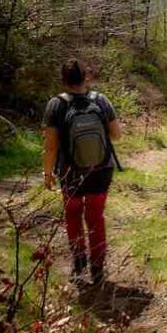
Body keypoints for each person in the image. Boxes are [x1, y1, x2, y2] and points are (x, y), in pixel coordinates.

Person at [41, 58, 122, 285]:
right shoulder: (101, 100)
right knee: (95, 217)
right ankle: (97, 268)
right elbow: (117, 135)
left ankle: (78, 264)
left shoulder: (56, 105)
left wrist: (48, 174)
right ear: (86, 77)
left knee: (73, 216)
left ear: (63, 80)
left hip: (70, 173)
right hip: (101, 169)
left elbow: (51, 146)